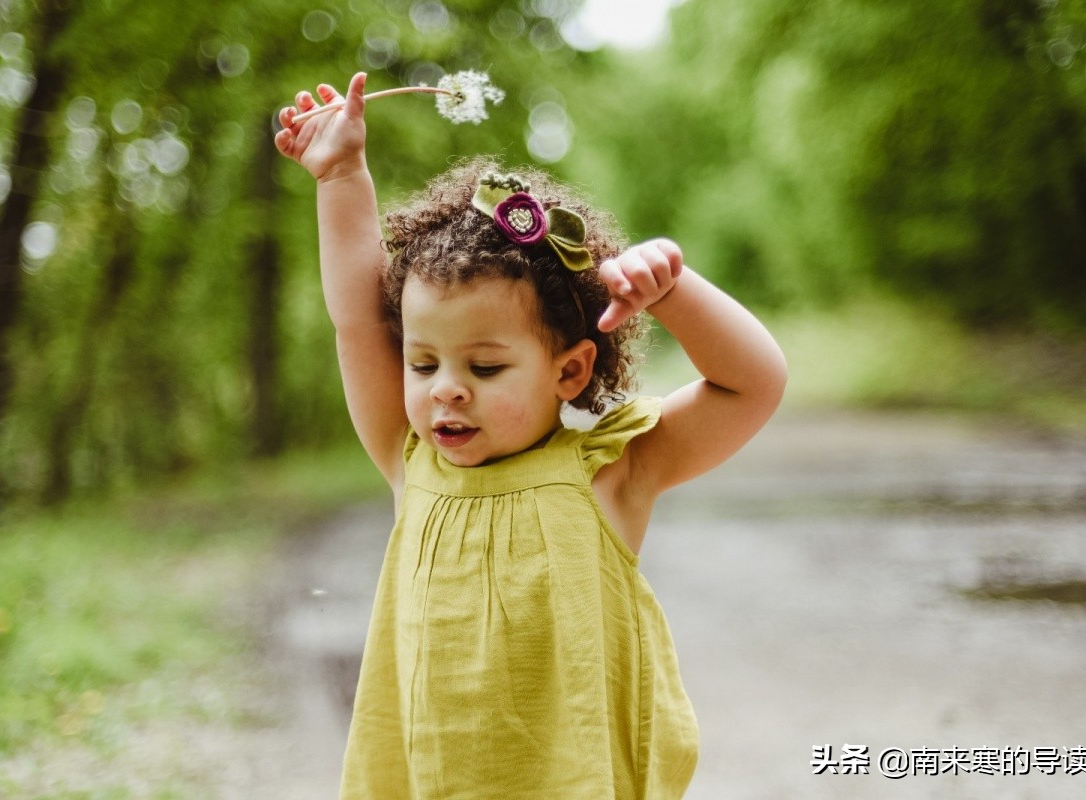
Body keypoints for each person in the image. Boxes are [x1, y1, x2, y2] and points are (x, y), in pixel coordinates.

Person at [274, 72, 788, 800]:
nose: (445, 386)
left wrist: (674, 293)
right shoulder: (410, 459)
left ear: (571, 371)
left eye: (485, 366)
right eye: (422, 362)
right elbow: (359, 317)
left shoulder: (611, 472)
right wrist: (341, 175)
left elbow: (753, 385)